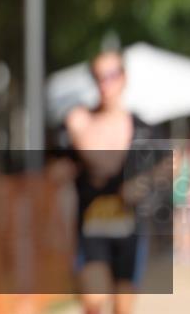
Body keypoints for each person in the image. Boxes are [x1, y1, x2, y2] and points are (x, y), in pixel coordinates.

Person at [64, 49, 166, 314]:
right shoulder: (81, 119)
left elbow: (172, 165)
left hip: (130, 231)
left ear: (123, 78)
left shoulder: (144, 127)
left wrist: (141, 183)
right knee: (94, 303)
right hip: (92, 226)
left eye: (111, 75)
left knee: (123, 309)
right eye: (98, 76)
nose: (105, 83)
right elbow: (100, 161)